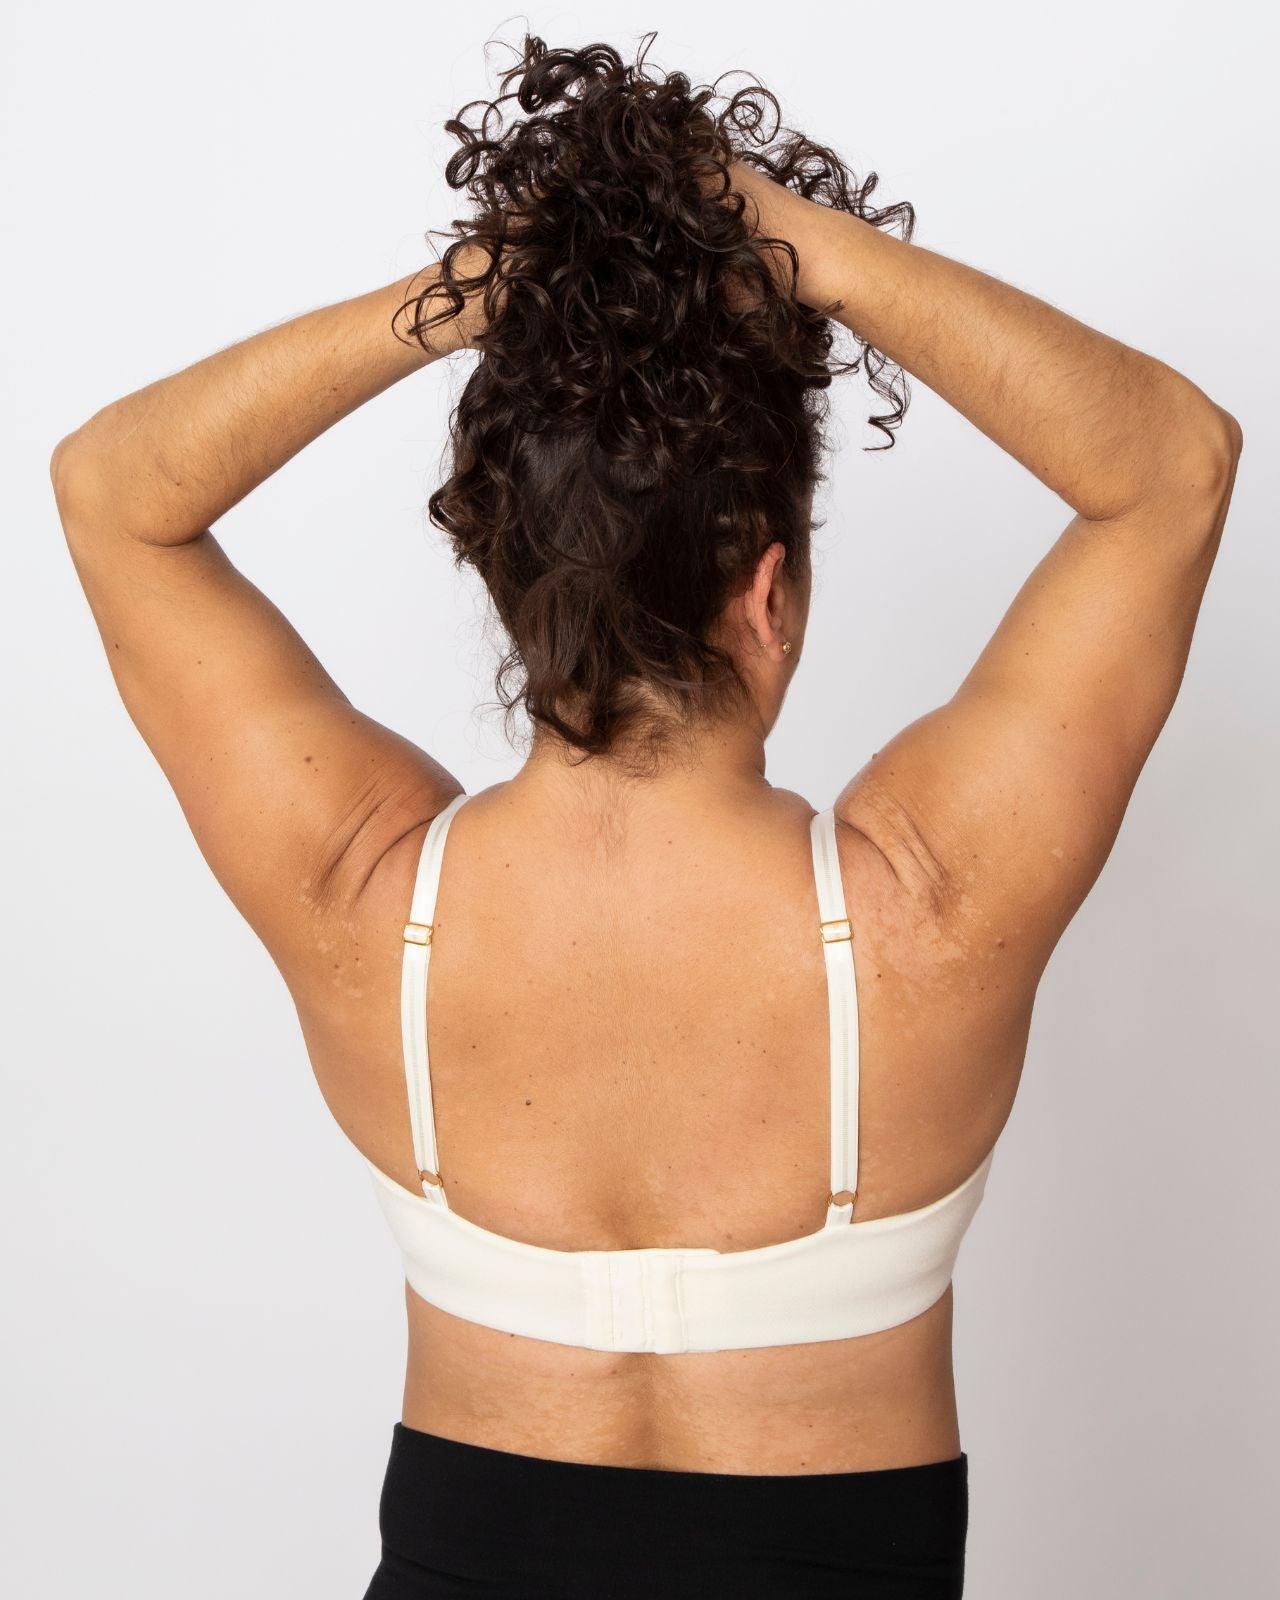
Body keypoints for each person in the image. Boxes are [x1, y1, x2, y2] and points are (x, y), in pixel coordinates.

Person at [50, 32, 1241, 1600]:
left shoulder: (366, 898)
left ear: (504, 576)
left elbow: (111, 489)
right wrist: (794, 239)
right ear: (769, 589)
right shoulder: (926, 910)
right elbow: (1173, 466)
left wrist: (469, 293)